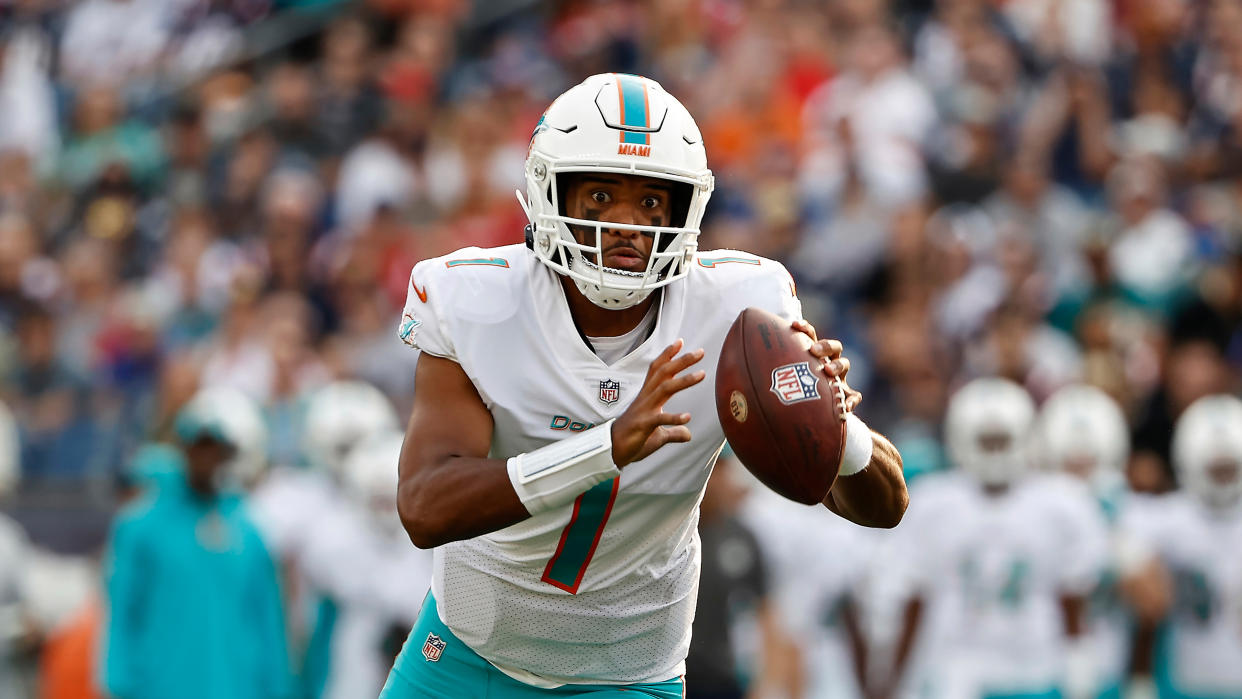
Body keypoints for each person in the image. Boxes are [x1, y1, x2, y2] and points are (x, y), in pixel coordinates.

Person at [382, 73, 907, 698]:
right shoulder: (478, 299)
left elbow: (885, 507)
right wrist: (605, 448)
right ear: (551, 195)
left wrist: (833, 428)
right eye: (601, 196)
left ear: (686, 210)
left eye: (653, 202)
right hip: (468, 656)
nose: (629, 223)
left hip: (628, 674)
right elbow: (423, 506)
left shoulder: (740, 311)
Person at [877, 378, 1107, 699]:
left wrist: (1079, 673)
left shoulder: (1062, 505)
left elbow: (1073, 602)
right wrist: (894, 684)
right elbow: (915, 600)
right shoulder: (932, 504)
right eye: (987, 442)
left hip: (1035, 673)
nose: (996, 452)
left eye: (1002, 441)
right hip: (955, 675)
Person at [99, 388, 293, 699]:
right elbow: (123, 611)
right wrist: (119, 683)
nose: (205, 457)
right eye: (198, 445)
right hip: (160, 687)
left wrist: (278, 687)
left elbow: (268, 620)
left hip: (236, 687)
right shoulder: (141, 527)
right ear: (183, 447)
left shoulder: (248, 531)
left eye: (214, 447)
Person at [1118, 395, 1242, 699]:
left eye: (1229, 469)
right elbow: (1121, 540)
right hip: (1181, 683)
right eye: (1216, 470)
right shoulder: (1167, 518)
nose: (1223, 480)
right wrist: (1139, 568)